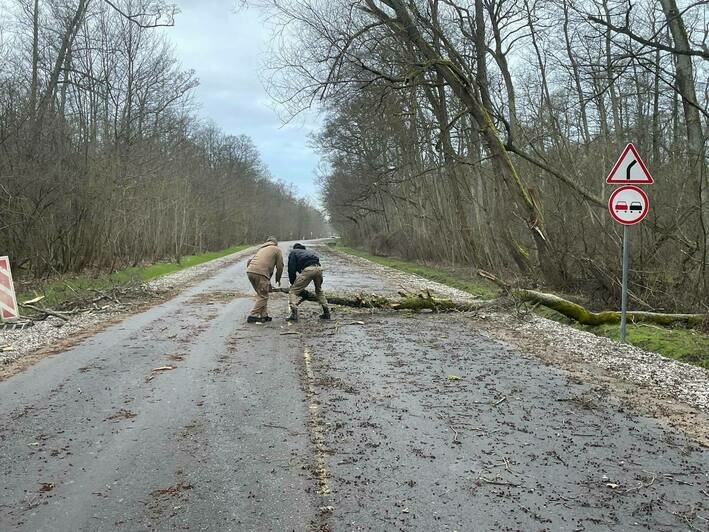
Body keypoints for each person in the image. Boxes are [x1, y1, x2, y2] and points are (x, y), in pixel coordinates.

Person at [287, 243, 330, 322]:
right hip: (319, 269)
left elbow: (291, 269)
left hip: (308, 269)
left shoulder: (293, 252)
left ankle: (294, 314)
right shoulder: (308, 252)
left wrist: (293, 282)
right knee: (319, 290)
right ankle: (326, 312)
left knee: (293, 291)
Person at [245, 237, 284, 323]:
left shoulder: (261, 249)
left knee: (262, 294)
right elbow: (280, 266)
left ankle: (264, 315)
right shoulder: (276, 249)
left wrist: (251, 271)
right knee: (264, 296)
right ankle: (253, 315)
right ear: (276, 243)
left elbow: (249, 261)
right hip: (261, 273)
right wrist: (278, 278)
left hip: (250, 271)